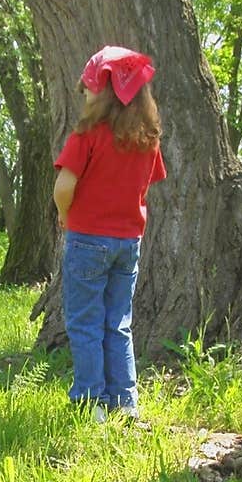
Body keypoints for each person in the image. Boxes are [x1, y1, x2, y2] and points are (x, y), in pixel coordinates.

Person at [52, 44, 167, 421]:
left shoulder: (86, 136)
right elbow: (145, 184)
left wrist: (65, 216)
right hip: (127, 242)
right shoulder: (147, 141)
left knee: (85, 322)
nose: (83, 99)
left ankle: (90, 401)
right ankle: (125, 402)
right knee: (117, 324)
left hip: (87, 240)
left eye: (86, 91)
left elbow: (63, 187)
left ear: (101, 95)